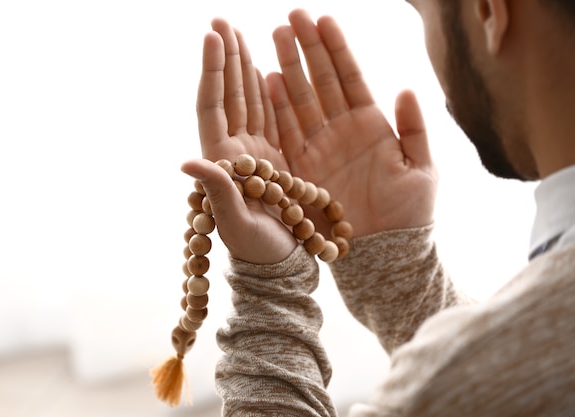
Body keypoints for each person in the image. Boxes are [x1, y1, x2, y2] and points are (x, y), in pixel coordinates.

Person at [181, 2, 575, 416]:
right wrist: (402, 278)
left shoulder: (458, 387)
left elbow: (490, 383)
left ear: (489, 12)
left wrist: (269, 292)